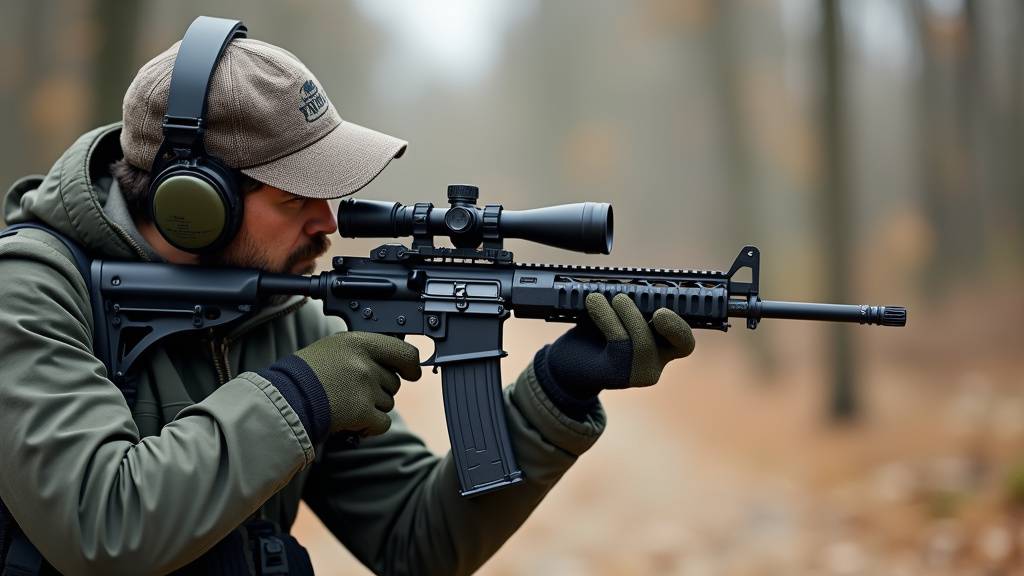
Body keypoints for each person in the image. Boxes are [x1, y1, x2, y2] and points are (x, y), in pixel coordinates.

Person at [0, 24, 695, 576]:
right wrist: (297, 398)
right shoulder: (28, 292)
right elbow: (101, 526)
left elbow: (418, 542)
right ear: (193, 203)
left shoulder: (285, 314)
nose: (328, 223)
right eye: (296, 197)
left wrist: (555, 395)